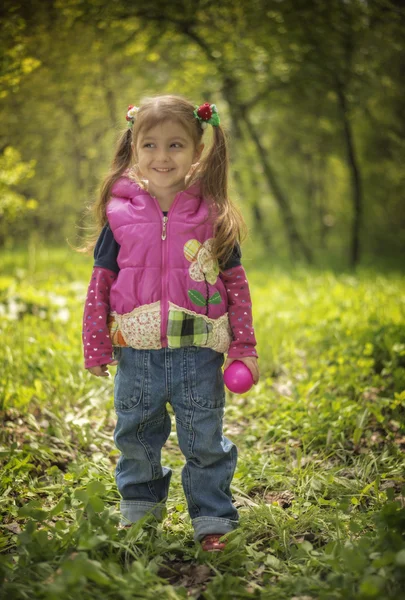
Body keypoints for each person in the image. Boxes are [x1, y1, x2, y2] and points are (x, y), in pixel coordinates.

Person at [80, 95, 259, 552]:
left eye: (176, 145)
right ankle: (139, 515)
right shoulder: (119, 215)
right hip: (136, 355)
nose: (162, 157)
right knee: (136, 435)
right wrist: (95, 344)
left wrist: (245, 348)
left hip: (199, 353)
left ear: (198, 151)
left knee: (205, 440)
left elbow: (236, 286)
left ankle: (213, 519)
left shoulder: (212, 214)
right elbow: (101, 283)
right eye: (151, 145)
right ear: (133, 148)